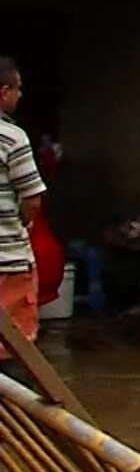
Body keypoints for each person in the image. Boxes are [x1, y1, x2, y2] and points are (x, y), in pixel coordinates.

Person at [0, 58, 47, 384]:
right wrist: (21, 224)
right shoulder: (12, 138)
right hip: (8, 263)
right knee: (14, 353)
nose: (20, 95)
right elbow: (32, 200)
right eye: (17, 89)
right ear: (4, 92)